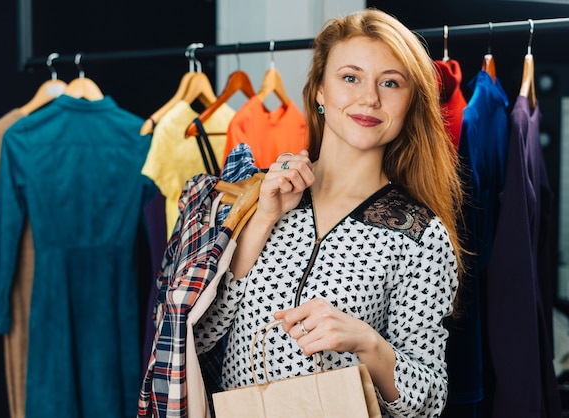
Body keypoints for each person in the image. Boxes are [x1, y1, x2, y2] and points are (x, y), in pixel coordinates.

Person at [195, 8, 465, 417]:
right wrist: (262, 220)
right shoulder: (255, 194)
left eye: (390, 83)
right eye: (350, 77)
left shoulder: (420, 235)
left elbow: (427, 402)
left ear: (410, 102)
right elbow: (195, 340)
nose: (369, 98)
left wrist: (368, 343)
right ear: (320, 90)